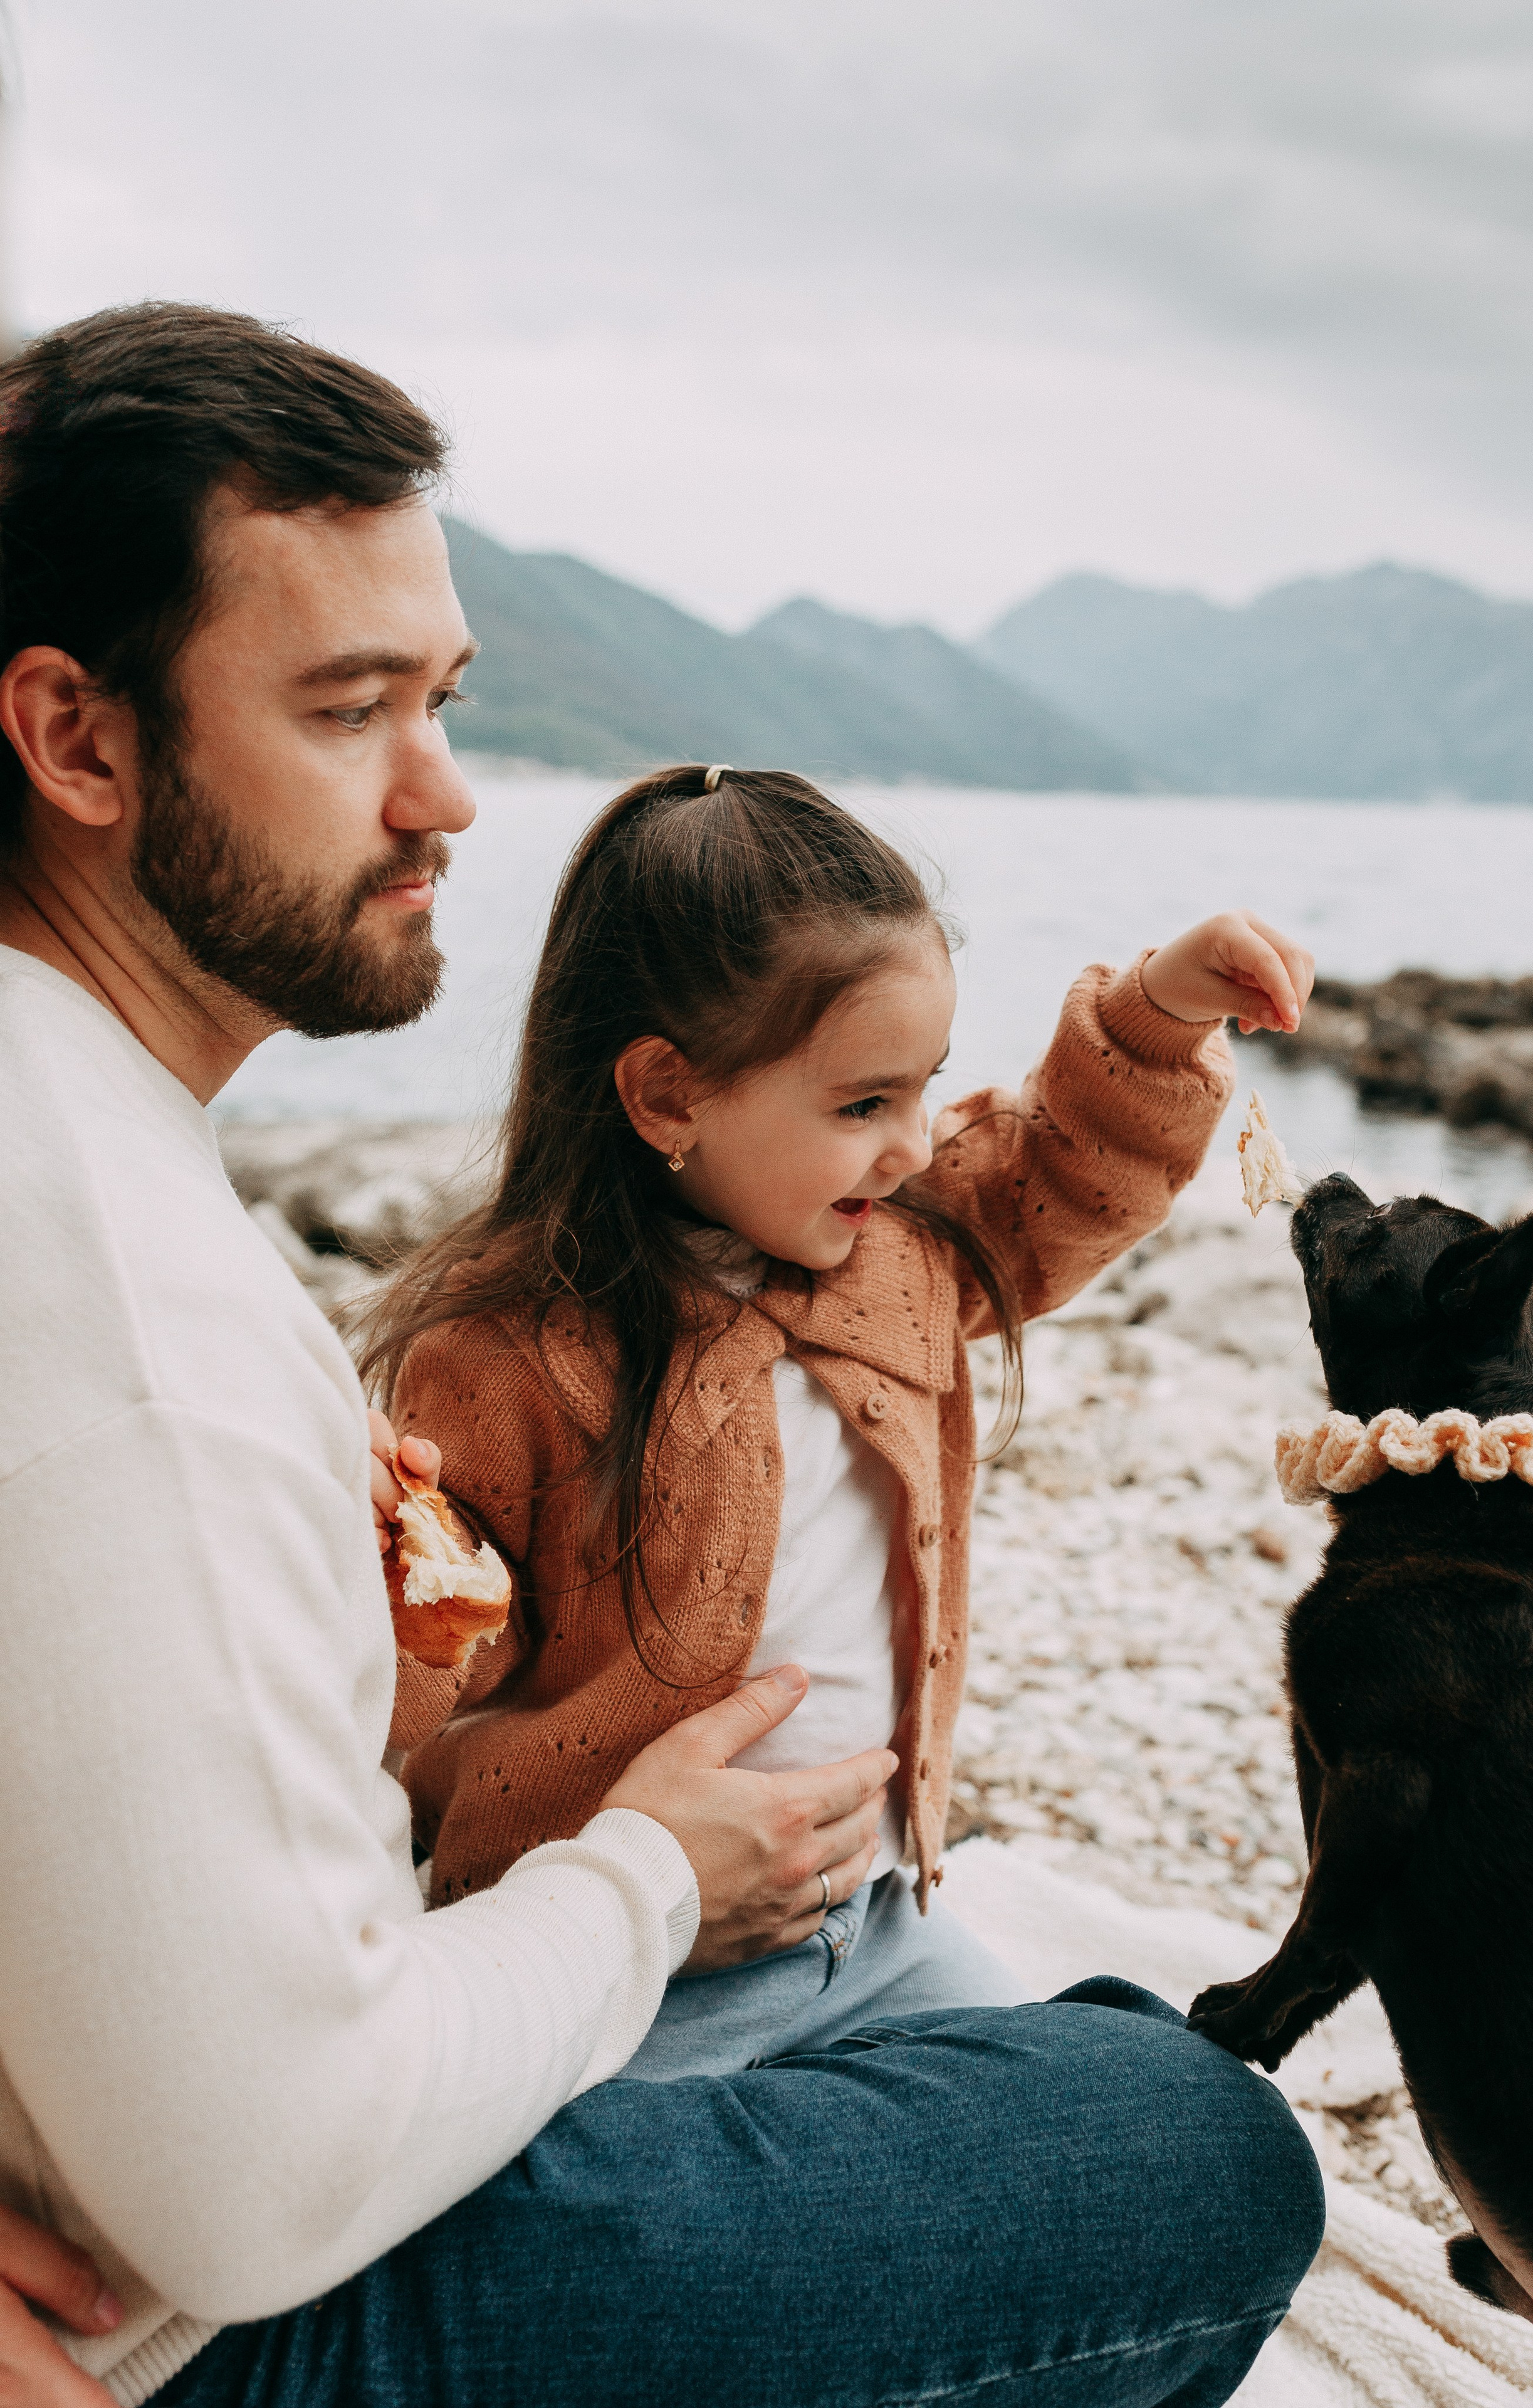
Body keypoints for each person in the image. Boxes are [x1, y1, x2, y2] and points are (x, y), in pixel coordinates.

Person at [0, 299, 1322, 2408]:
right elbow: (262, 2182)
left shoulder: (106, 1181)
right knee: (1194, 2153)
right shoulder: (173, 1321)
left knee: (1085, 2061)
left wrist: (1143, 1036)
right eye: (352, 713)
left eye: (447, 699)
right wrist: (637, 1875)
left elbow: (1032, 1180)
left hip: (753, 1953)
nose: (445, 798)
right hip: (226, 2304)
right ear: (78, 741)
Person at [366, 767, 1314, 2083]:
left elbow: (1059, 1160)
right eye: (864, 1104)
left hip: (869, 1936)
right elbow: (399, 1680)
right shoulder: (509, 1353)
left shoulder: (907, 1254)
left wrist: (1157, 1014)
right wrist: (369, 1556)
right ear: (665, 1097)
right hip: (619, 1964)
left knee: (1106, 2090)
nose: (916, 1147)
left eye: (924, 1090)